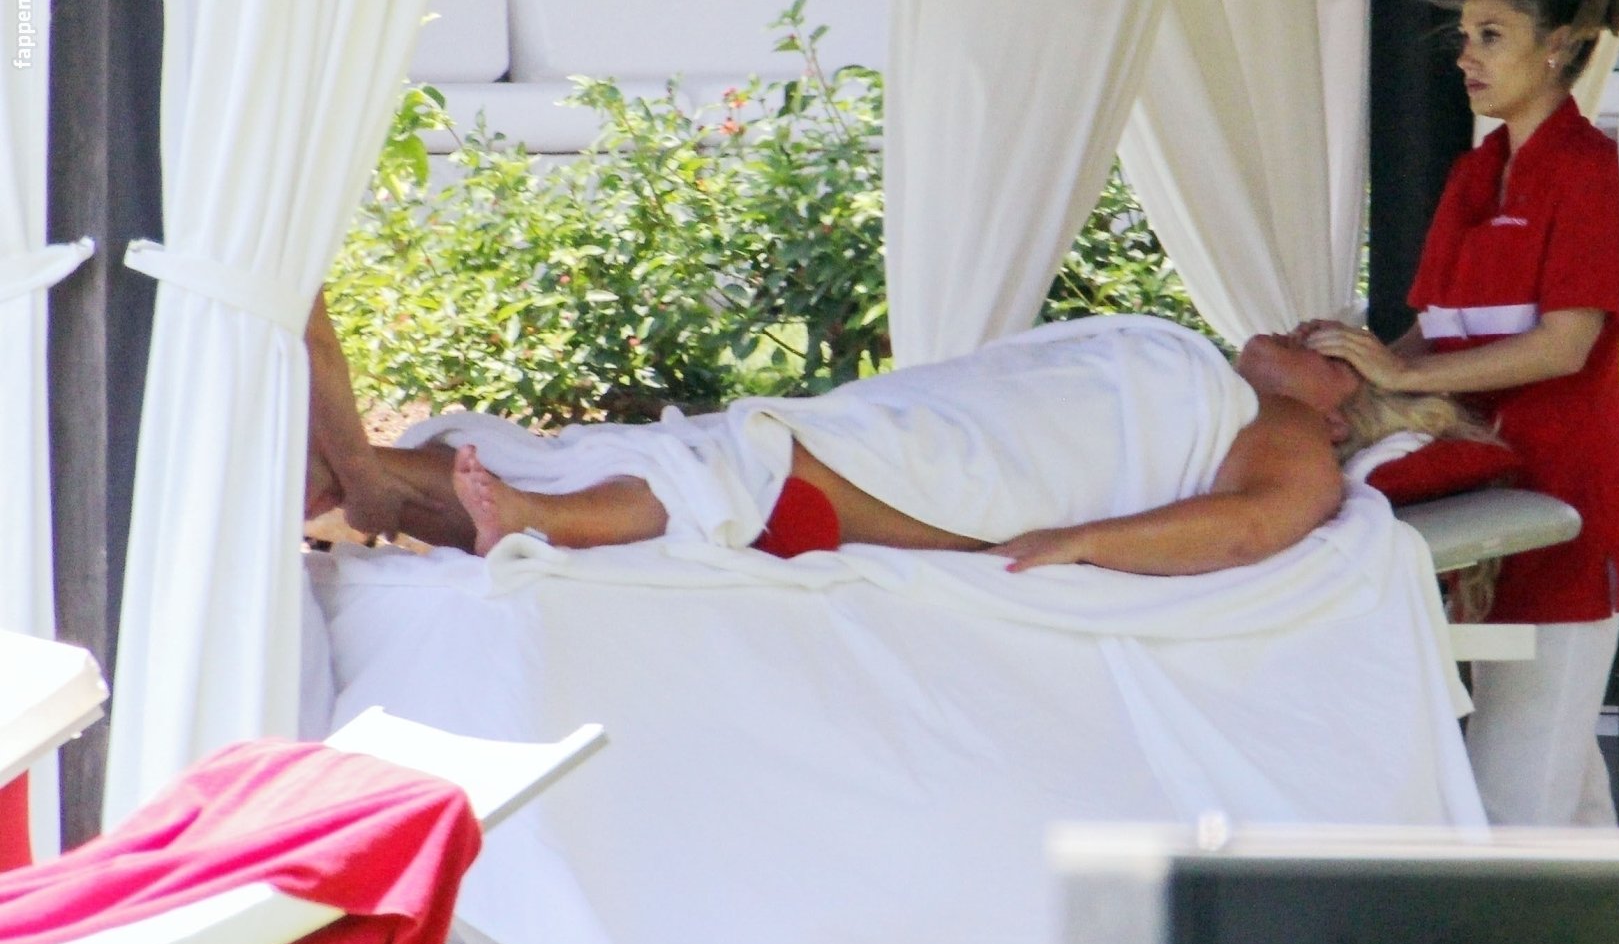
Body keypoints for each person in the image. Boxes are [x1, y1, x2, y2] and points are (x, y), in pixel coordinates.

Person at [315, 315, 1489, 580]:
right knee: (696, 444)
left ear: (1342, 404)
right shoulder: (1225, 378)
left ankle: (537, 521)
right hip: (954, 423)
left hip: (988, 471)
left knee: (756, 463)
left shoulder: (1289, 433)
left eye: (1324, 344)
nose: (1291, 330)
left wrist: (1081, 538)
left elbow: (1247, 528)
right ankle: (369, 478)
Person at [1303, 0, 1619, 828]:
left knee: (1514, 799)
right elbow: (1431, 328)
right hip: (1478, 510)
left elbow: (1563, 346)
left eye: (1490, 35)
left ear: (1556, 46)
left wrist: (1397, 371)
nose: (1465, 56)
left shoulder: (1592, 173)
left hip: (1563, 511)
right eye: (1464, 36)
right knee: (1559, 798)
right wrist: (1349, 368)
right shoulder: (1474, 172)